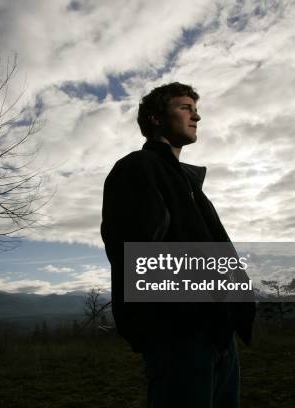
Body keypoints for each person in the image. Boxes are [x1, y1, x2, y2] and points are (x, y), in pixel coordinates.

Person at [100, 82, 255, 407]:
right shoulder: (137, 168)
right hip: (180, 337)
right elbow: (135, 257)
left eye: (195, 109)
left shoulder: (189, 184)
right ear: (156, 117)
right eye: (185, 107)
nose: (196, 115)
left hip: (219, 334)